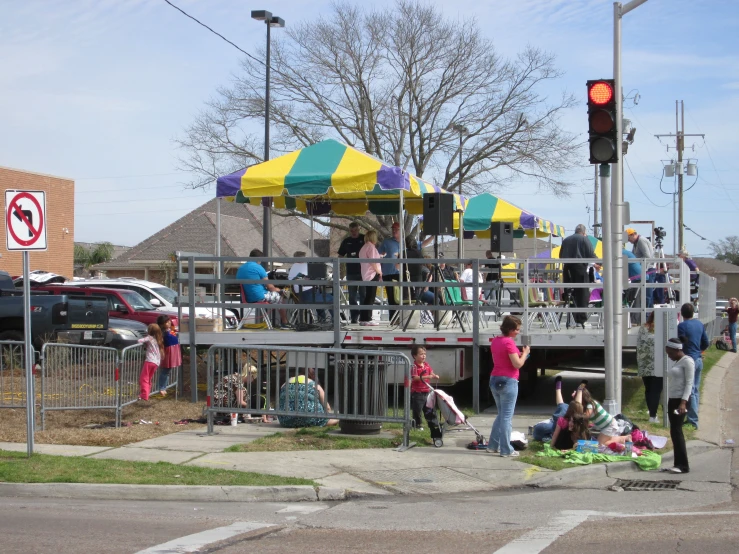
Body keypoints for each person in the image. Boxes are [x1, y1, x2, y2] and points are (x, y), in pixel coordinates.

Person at [487, 315, 529, 457]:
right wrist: (526, 354)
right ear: (510, 329)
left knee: (501, 415)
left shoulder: (495, 341)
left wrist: (520, 355)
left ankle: (492, 445)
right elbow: (517, 364)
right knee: (506, 417)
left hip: (494, 378)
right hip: (508, 381)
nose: (518, 332)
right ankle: (506, 449)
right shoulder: (509, 343)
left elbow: (499, 359)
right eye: (517, 329)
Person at [532, 376, 590, 450]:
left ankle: (560, 389)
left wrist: (550, 447)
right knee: (571, 406)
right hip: (559, 425)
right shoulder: (579, 418)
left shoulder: (563, 420)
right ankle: (578, 390)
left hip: (554, 426)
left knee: (562, 407)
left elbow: (555, 435)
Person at [237, 248, 290, 329]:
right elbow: (270, 287)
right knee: (280, 297)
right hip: (260, 297)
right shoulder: (258, 267)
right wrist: (280, 290)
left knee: (275, 295)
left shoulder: (241, 268)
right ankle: (285, 323)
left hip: (246, 298)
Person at [664, 337, 696, 474]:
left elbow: (689, 383)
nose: (669, 356)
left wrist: (683, 402)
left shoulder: (687, 362)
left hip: (680, 401)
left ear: (677, 350)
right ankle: (677, 463)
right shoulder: (677, 362)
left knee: (677, 431)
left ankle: (683, 465)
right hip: (673, 399)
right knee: (674, 431)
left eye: (670, 353)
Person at [677, 302, 709, 429]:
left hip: (688, 359)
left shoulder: (682, 326)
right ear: (693, 312)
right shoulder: (699, 324)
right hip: (698, 359)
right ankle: (692, 416)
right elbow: (706, 342)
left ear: (682, 313)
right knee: (695, 389)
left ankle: (692, 420)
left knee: (689, 390)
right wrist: (699, 351)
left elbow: (680, 343)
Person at [560, 224, 596, 326]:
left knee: (570, 294)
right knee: (582, 294)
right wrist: (599, 263)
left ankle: (572, 318)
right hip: (580, 268)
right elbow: (591, 255)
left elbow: (561, 256)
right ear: (584, 232)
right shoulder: (585, 239)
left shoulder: (566, 240)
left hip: (567, 269)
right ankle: (581, 320)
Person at [287, 251, 334, 323]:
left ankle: (323, 321)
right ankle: (335, 322)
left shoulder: (293, 267)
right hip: (307, 295)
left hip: (299, 296)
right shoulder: (304, 266)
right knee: (332, 299)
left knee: (321, 298)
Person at [637, 311, 662, 423]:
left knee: (648, 389)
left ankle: (651, 411)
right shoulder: (661, 329)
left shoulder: (643, 328)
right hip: (657, 364)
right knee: (656, 390)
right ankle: (653, 415)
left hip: (644, 363)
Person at [338, 222, 365, 324]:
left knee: (363, 295)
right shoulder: (346, 241)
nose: (354, 233)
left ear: (359, 229)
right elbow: (340, 255)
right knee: (352, 296)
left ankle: (363, 316)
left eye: (356, 230)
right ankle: (354, 316)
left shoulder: (364, 239)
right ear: (349, 230)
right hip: (351, 272)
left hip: (363, 272)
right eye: (352, 231)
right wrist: (338, 269)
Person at [409, 345, 440, 432]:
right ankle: (417, 425)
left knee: (430, 409)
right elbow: (415, 377)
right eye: (421, 354)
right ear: (415, 356)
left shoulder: (426, 365)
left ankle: (434, 423)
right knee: (417, 410)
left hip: (427, 391)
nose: (423, 356)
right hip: (417, 393)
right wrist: (428, 376)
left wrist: (434, 375)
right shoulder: (414, 366)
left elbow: (431, 372)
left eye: (424, 354)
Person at [378, 222, 402, 321]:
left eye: (396, 229)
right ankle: (393, 319)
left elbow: (420, 245)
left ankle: (401, 318)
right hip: (388, 273)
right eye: (393, 229)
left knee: (401, 297)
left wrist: (431, 237)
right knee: (391, 298)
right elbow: (378, 254)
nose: (394, 230)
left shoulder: (405, 243)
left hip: (401, 273)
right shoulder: (386, 242)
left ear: (401, 230)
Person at [626, 228, 655, 308]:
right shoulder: (636, 243)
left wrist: (642, 269)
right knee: (646, 294)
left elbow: (647, 256)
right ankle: (647, 315)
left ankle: (647, 315)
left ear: (633, 235)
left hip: (648, 269)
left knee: (647, 294)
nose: (629, 241)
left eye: (628, 238)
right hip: (645, 269)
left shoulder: (641, 241)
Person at [358, 230, 382, 326]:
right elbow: (373, 261)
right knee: (370, 297)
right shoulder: (371, 247)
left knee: (367, 296)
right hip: (372, 274)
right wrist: (378, 271)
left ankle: (363, 318)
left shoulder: (363, 247)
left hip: (365, 274)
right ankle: (367, 318)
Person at [156, 314, 181, 397]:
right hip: (168, 351)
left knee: (168, 370)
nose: (169, 322)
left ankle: (164, 387)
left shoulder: (170, 330)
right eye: (166, 322)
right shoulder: (162, 333)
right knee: (165, 370)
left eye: (169, 321)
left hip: (174, 350)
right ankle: (161, 387)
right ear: (162, 324)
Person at [137, 323, 163, 401]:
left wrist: (144, 343)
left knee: (144, 378)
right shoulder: (158, 339)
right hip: (156, 362)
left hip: (150, 361)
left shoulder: (150, 338)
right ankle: (147, 392)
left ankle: (144, 394)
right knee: (149, 377)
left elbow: (139, 340)